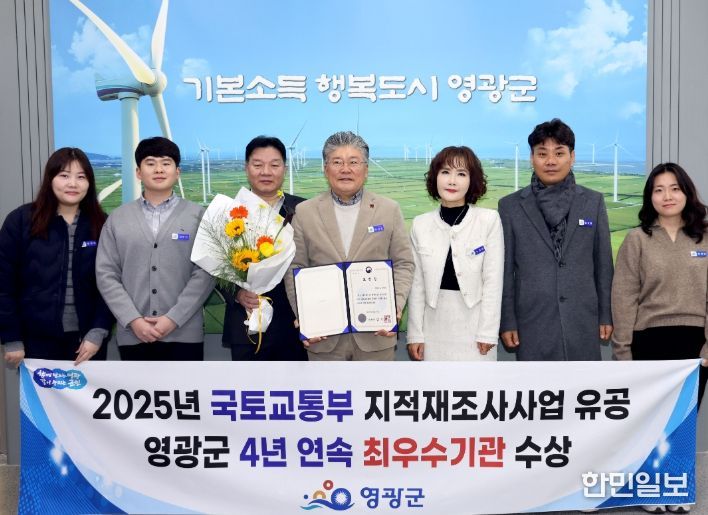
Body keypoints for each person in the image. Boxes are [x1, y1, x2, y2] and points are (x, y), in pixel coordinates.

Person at [284, 131, 415, 361]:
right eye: (337, 162)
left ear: (366, 169)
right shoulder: (305, 212)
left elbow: (403, 263)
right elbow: (294, 267)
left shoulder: (389, 209)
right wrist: (304, 314)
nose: (345, 169)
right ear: (326, 169)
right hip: (324, 338)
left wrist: (394, 305)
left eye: (353, 162)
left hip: (376, 336)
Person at [498, 118, 614, 360]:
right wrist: (507, 320)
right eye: (542, 154)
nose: (550, 161)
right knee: (536, 384)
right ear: (531, 158)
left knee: (585, 383)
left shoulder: (592, 202)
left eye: (559, 153)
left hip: (583, 319)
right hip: (532, 321)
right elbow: (506, 271)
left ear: (572, 157)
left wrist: (606, 314)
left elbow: (603, 264)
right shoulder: (510, 206)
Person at [96, 137, 214, 361]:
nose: (159, 169)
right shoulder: (117, 219)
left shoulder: (199, 216)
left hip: (185, 333)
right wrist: (133, 320)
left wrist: (173, 318)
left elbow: (205, 272)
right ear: (138, 173)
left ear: (177, 172)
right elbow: (106, 274)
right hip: (133, 334)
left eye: (166, 163)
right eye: (150, 163)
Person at [0, 147, 113, 367]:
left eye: (81, 177)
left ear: (89, 183)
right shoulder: (21, 221)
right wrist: (11, 337)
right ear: (50, 179)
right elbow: (4, 284)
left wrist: (99, 331)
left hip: (88, 343)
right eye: (64, 175)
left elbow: (110, 284)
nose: (73, 184)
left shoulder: (102, 224)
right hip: (34, 341)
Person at [407, 146, 503, 361]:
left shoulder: (488, 220)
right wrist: (415, 334)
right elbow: (417, 285)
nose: (452, 181)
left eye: (461, 174)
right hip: (433, 327)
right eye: (445, 172)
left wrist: (488, 331)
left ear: (472, 181)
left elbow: (493, 281)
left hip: (476, 327)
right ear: (435, 177)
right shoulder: (420, 224)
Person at [222, 136, 307, 361]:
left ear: (284, 169)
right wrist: (236, 293)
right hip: (246, 324)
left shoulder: (303, 209)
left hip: (295, 326)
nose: (266, 172)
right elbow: (213, 266)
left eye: (274, 165)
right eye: (258, 165)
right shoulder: (228, 211)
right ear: (246, 168)